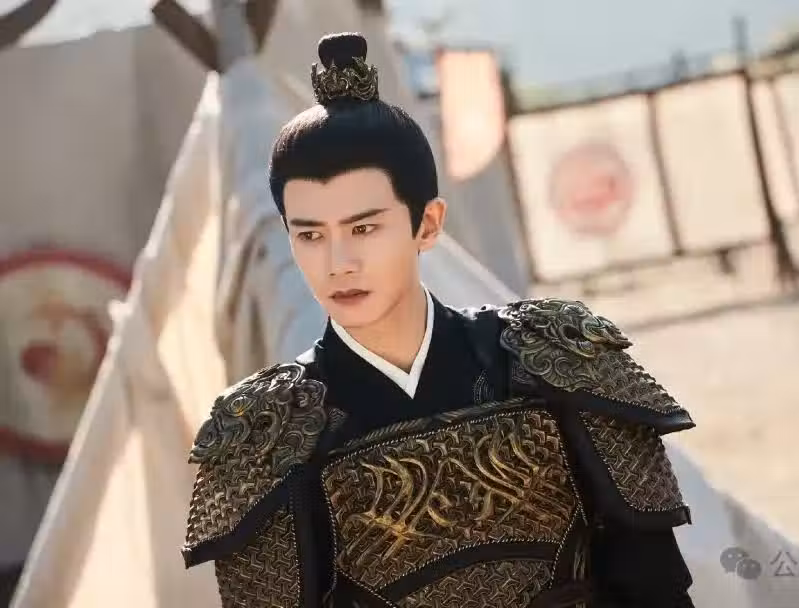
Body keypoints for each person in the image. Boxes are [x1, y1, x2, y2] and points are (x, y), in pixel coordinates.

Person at [182, 32, 696, 608]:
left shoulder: (554, 357)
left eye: (363, 228)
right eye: (310, 235)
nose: (338, 262)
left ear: (427, 224)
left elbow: (656, 586)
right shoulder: (265, 433)